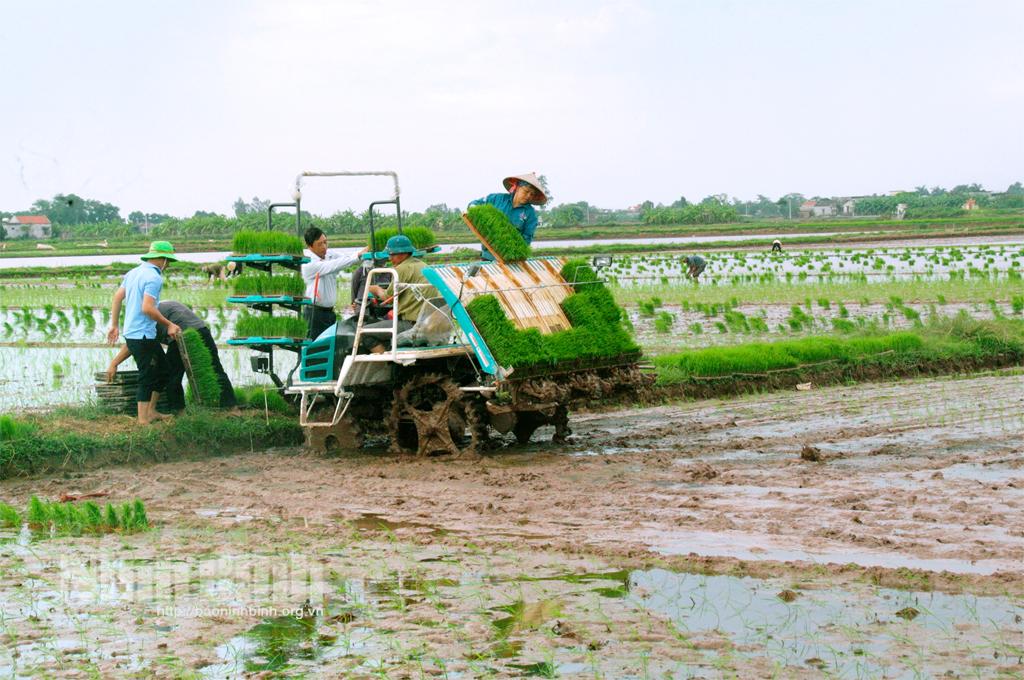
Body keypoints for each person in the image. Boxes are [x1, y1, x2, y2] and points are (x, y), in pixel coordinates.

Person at [106, 301, 238, 413]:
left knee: (171, 374)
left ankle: (178, 411)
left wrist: (114, 363)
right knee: (215, 368)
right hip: (201, 329)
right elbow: (136, 342)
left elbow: (132, 343)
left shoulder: (145, 315)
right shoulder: (152, 307)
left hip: (182, 334)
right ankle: (232, 407)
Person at [105, 241, 182, 425]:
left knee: (163, 370)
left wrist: (114, 325)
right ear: (163, 259)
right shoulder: (154, 278)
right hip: (143, 335)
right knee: (147, 375)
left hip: (135, 332)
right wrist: (169, 324)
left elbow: (117, 297)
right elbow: (148, 308)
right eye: (168, 261)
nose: (168, 265)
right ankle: (143, 420)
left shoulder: (134, 272)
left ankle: (152, 411)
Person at [362, 235, 437, 353]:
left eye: (392, 255)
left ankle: (386, 365)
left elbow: (388, 298)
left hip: (412, 325)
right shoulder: (423, 265)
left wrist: (375, 289)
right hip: (429, 323)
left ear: (402, 254)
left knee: (364, 333)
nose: (390, 258)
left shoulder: (401, 269)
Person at [300, 227, 368, 339]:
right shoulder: (308, 263)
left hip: (329, 313)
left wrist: (363, 253)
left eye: (325, 242)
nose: (324, 247)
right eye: (319, 244)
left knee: (329, 345)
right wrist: (358, 255)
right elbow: (333, 265)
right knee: (314, 347)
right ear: (310, 246)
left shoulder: (329, 255)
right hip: (314, 313)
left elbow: (346, 259)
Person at [468, 172, 548, 261]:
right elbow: (475, 203)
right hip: (487, 255)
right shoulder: (497, 199)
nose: (528, 196)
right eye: (526, 191)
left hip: (509, 260)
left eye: (532, 194)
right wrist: (473, 207)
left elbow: (527, 239)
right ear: (517, 187)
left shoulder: (530, 214)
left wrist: (515, 252)